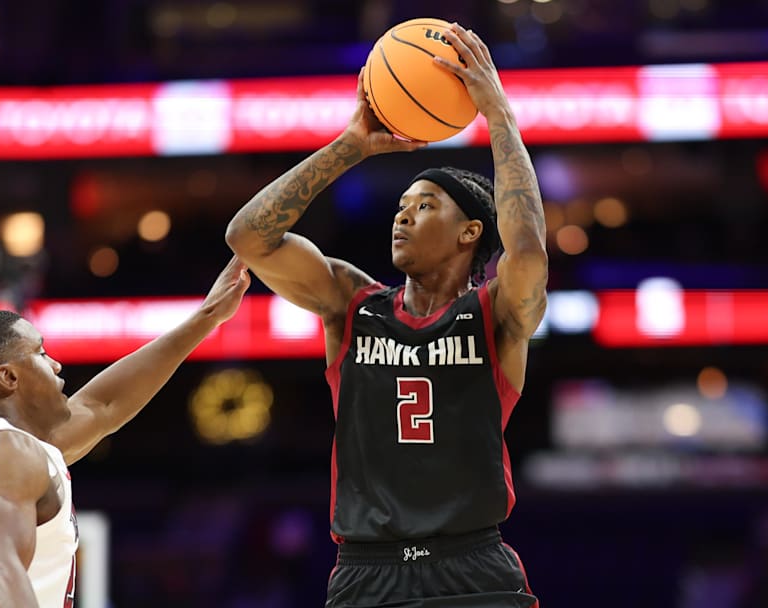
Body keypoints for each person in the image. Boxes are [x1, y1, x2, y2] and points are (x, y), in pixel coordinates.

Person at [225, 23, 546, 608]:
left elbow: (526, 252)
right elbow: (247, 237)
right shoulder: (352, 303)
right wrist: (349, 146)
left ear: (470, 232)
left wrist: (499, 118)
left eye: (425, 207)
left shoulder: (494, 314)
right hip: (365, 571)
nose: (403, 217)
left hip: (473, 568)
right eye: (401, 206)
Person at [0, 256, 251, 608]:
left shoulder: (11, 448)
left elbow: (104, 407)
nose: (56, 364)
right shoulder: (4, 451)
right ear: (8, 377)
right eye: (40, 352)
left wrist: (209, 316)